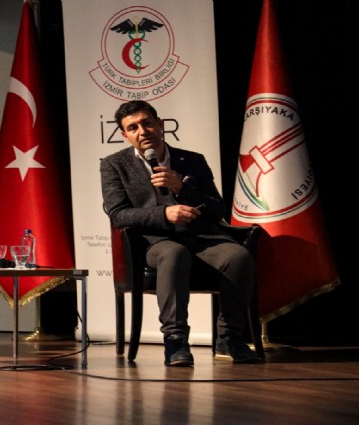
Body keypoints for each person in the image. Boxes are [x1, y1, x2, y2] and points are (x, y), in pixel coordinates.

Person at [100, 100, 259, 366]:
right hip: (155, 242)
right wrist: (164, 214)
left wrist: (182, 189)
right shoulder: (114, 165)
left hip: (202, 238)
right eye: (133, 127)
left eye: (147, 123)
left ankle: (230, 337)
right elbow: (118, 214)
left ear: (160, 124)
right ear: (125, 135)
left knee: (238, 256)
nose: (142, 131)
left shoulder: (192, 160)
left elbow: (217, 208)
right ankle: (175, 340)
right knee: (174, 254)